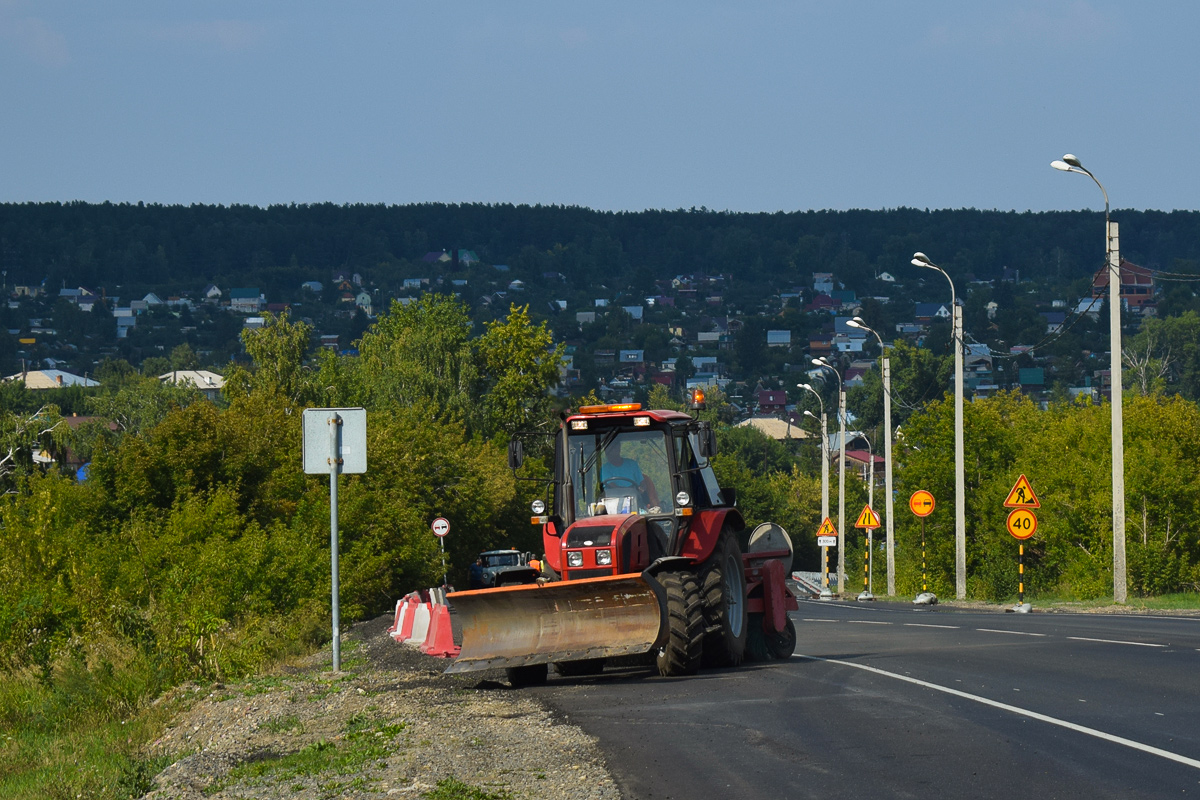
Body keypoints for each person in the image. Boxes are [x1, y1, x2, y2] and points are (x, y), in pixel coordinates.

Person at [602, 438, 661, 510]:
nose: (608, 452)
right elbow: (612, 486)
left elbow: (642, 482)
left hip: (635, 503)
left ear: (618, 448)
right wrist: (630, 491)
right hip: (612, 506)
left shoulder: (632, 464)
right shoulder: (604, 469)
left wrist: (641, 488)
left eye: (612, 448)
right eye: (607, 449)